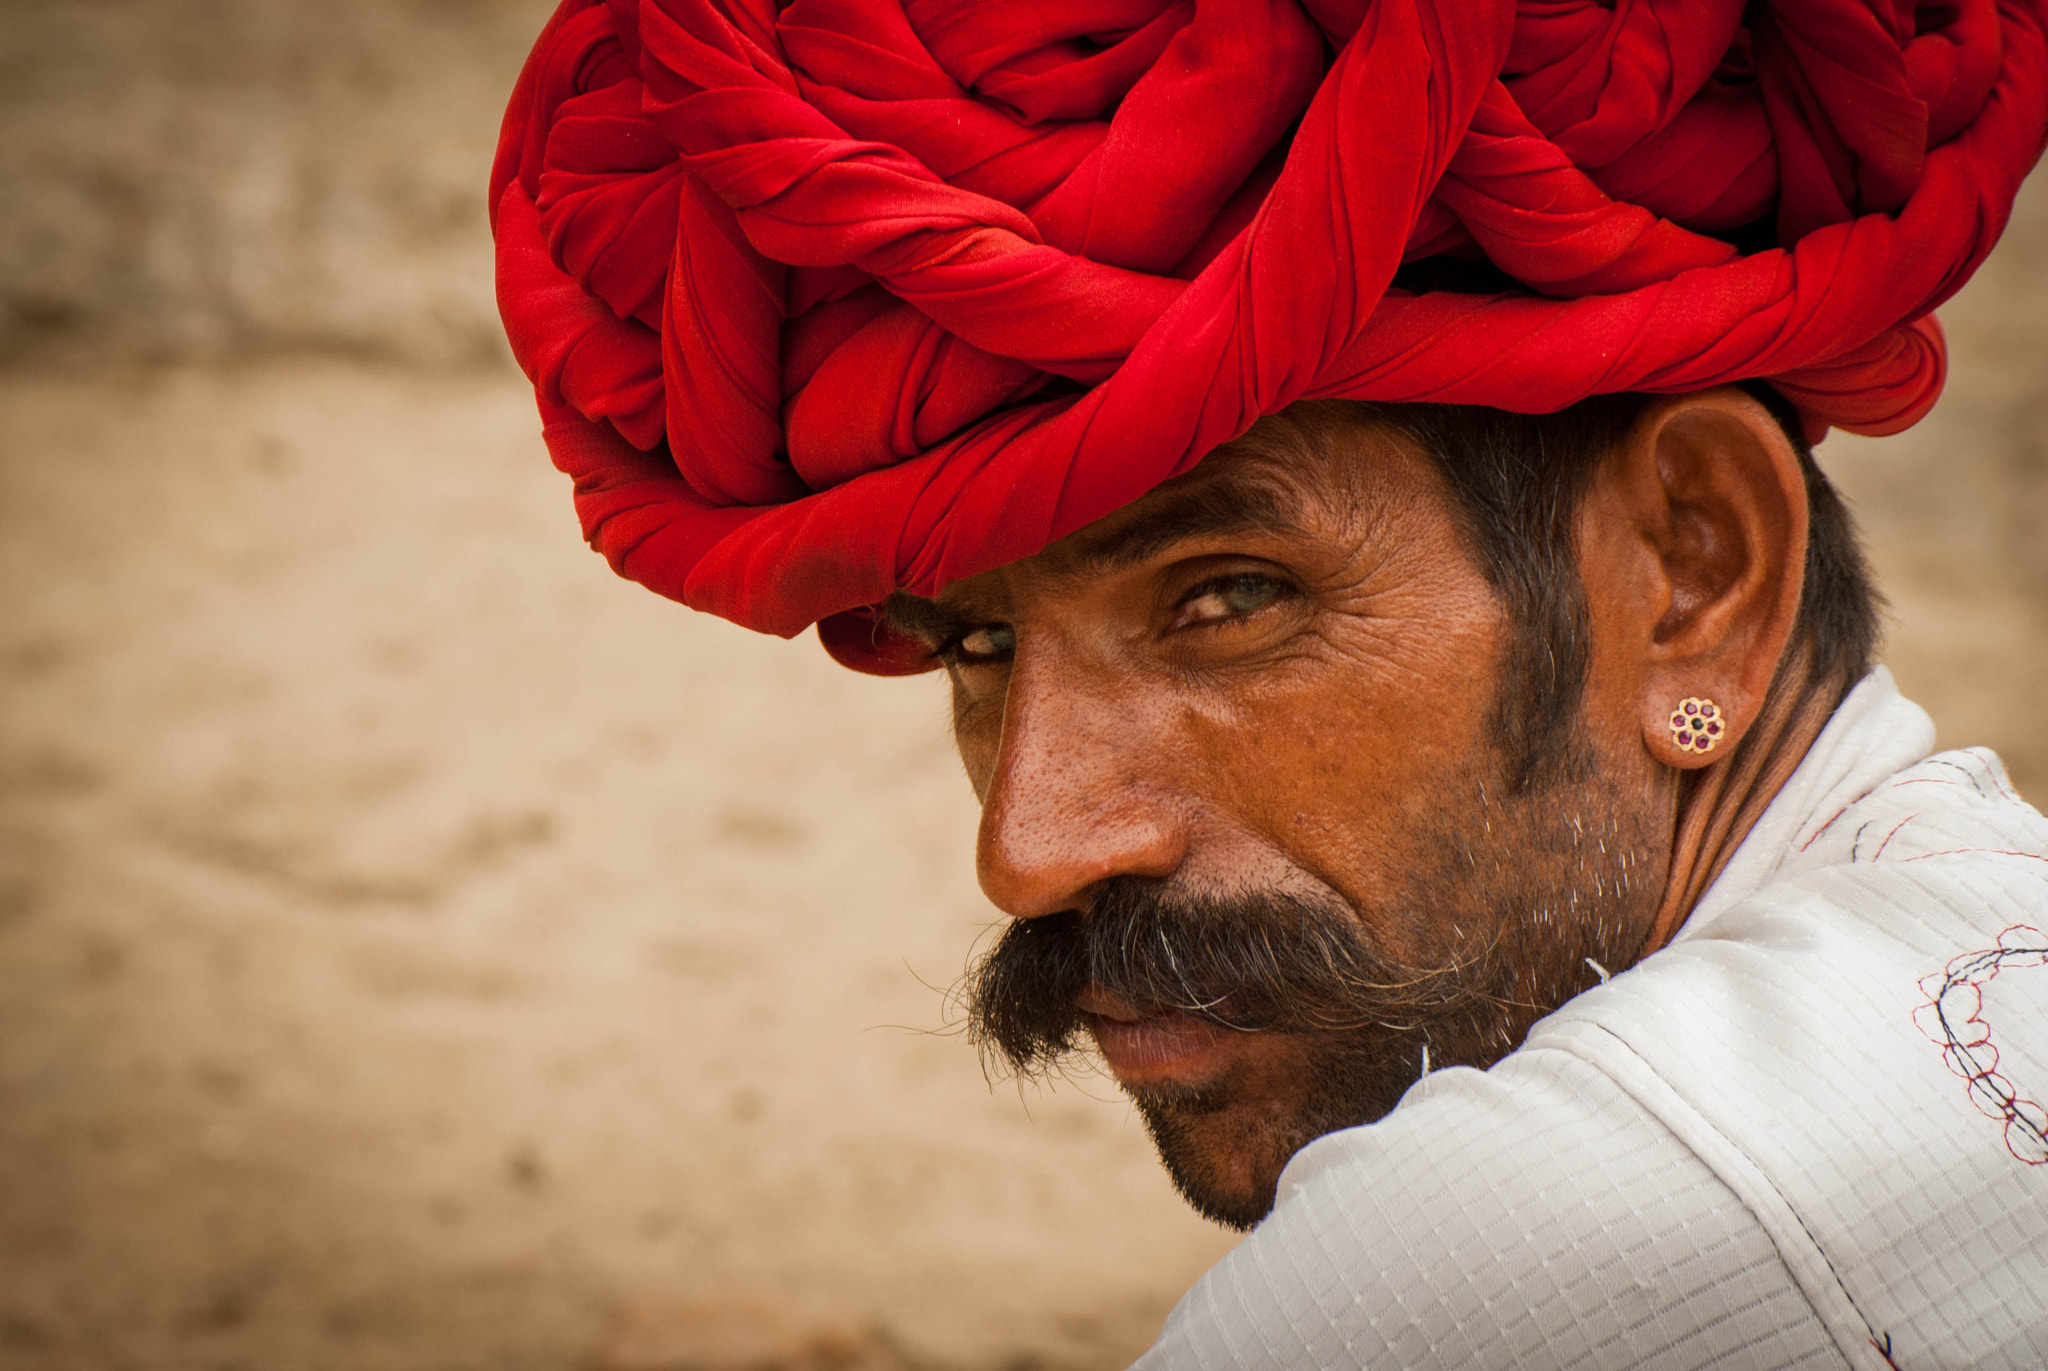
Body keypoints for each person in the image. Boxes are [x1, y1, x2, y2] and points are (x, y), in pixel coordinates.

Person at [491, 2, 2048, 1365]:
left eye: (1225, 600)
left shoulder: (1533, 1247)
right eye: (975, 641)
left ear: (1694, 573)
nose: (1030, 853)